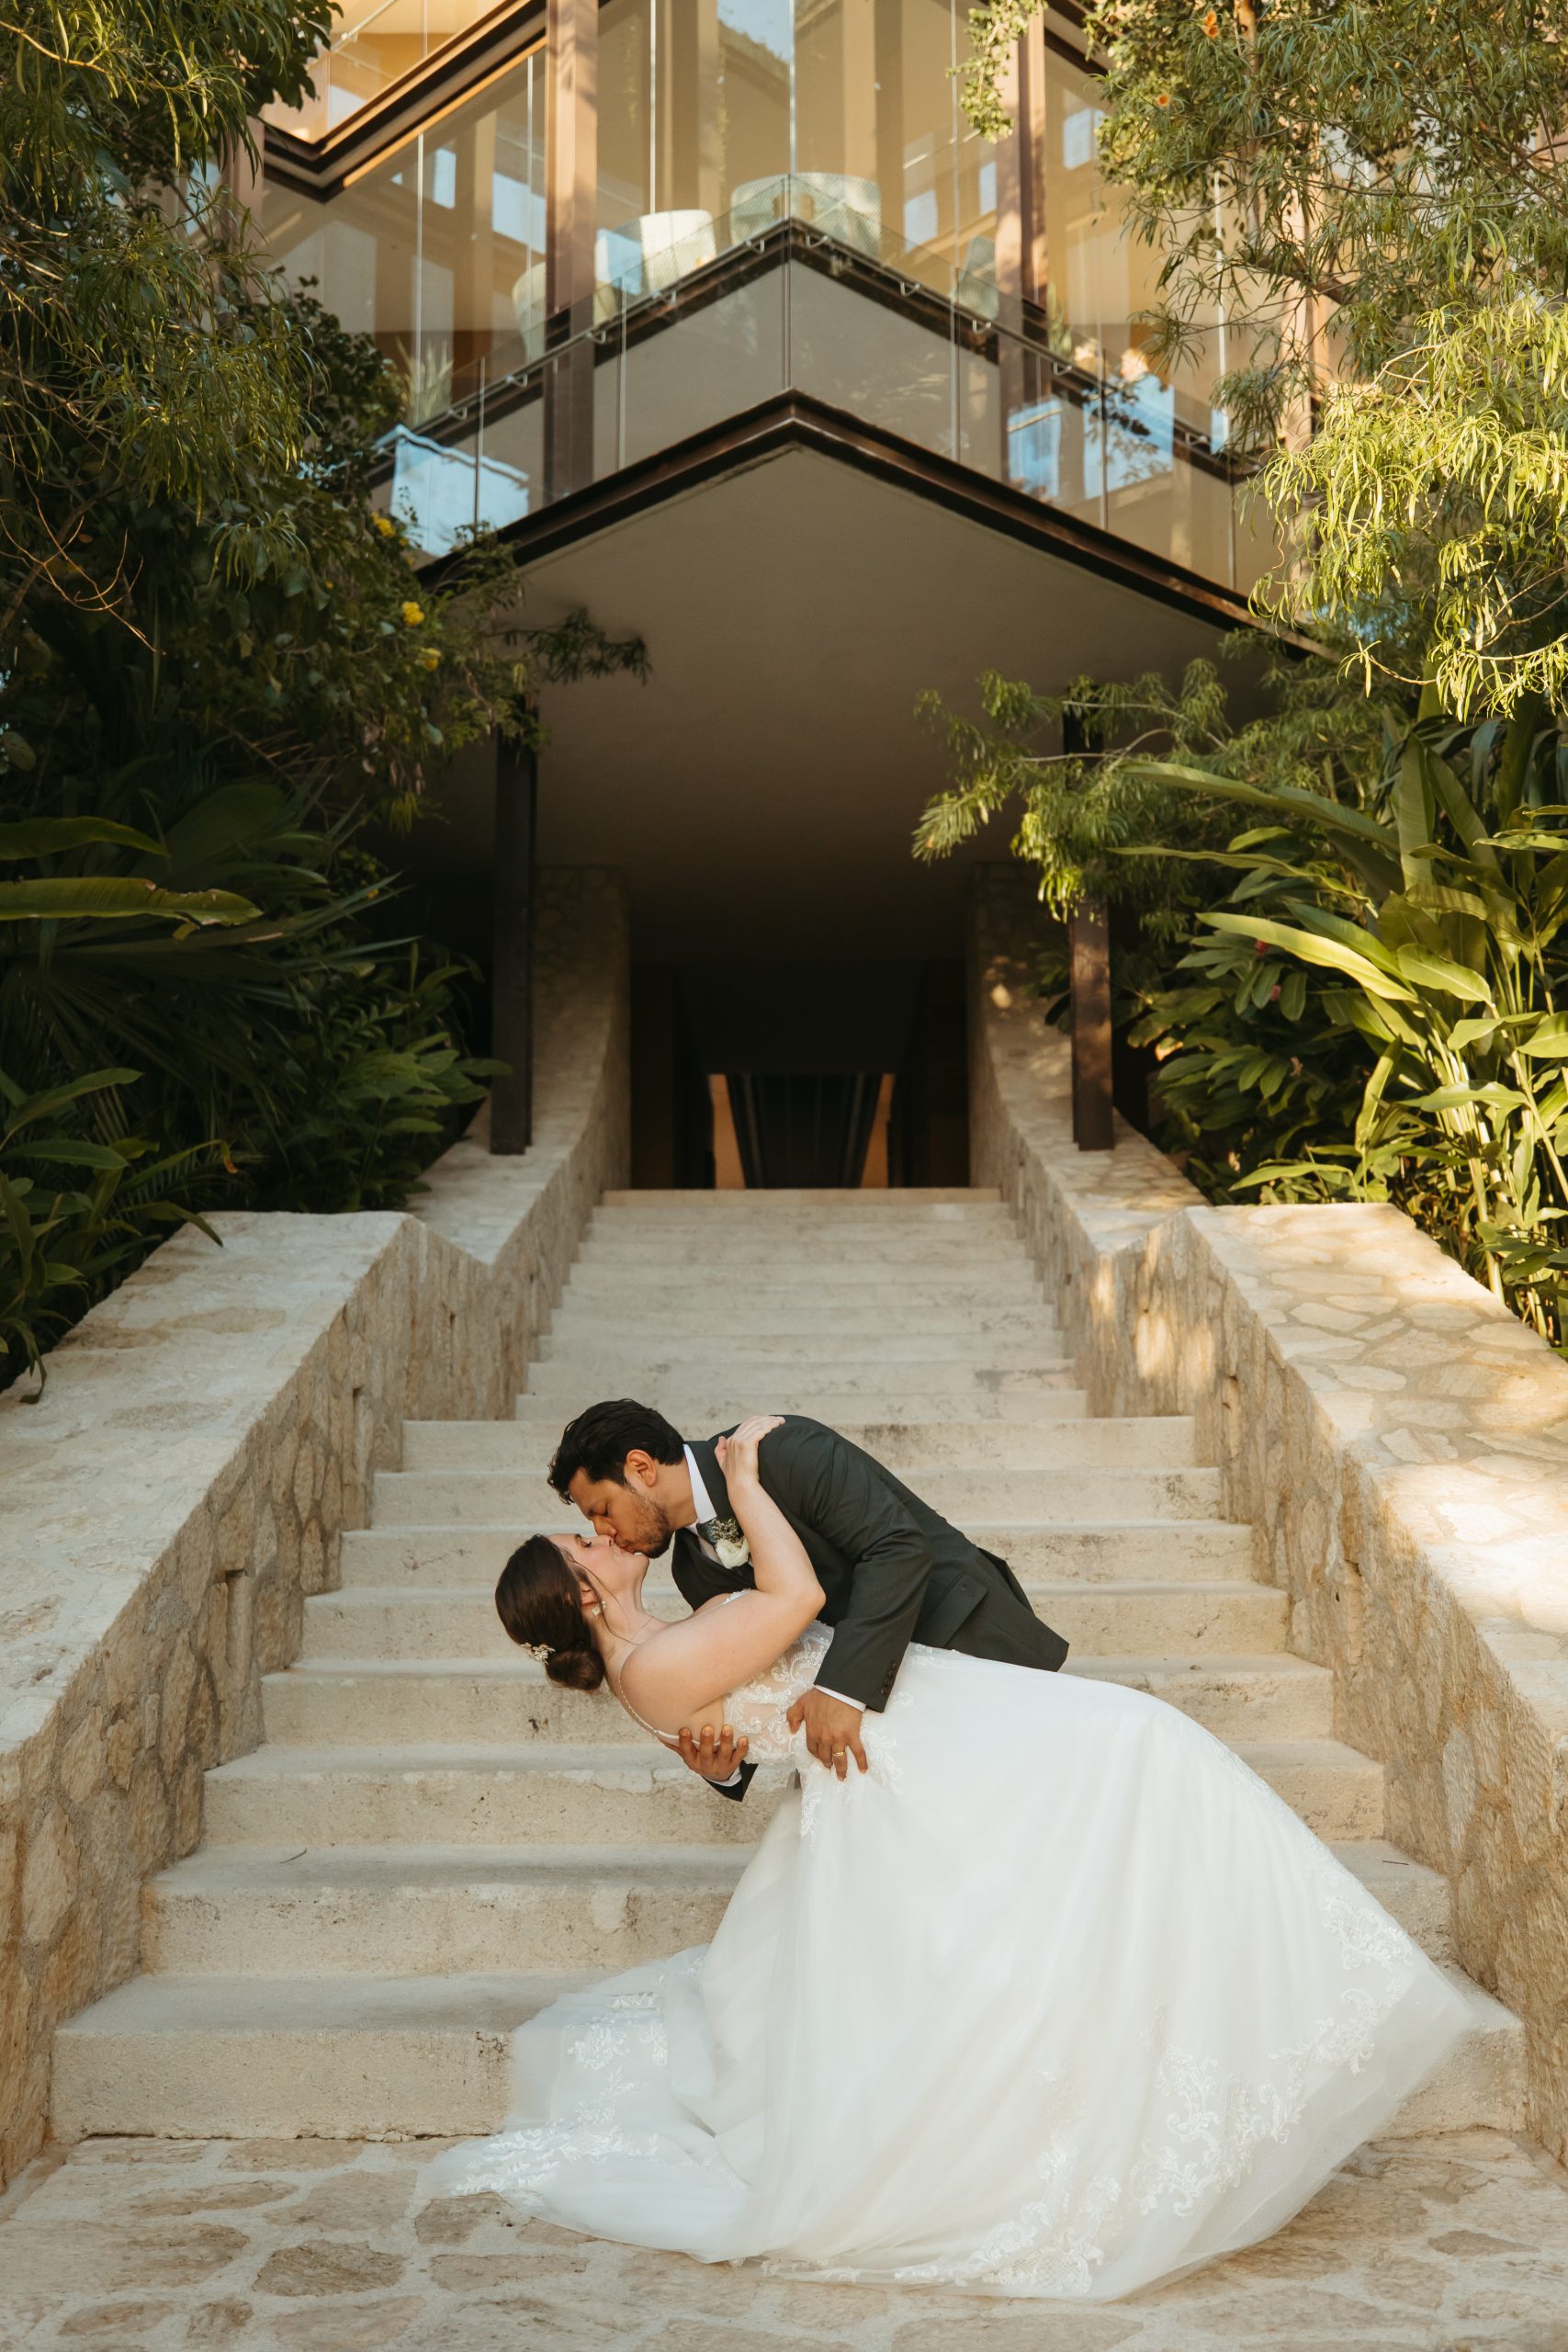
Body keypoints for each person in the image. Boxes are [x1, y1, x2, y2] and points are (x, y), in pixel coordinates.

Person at [423, 1412, 1472, 2302]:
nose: (601, 1530)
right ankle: (1085, 2123)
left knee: (1115, 1813)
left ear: (641, 1469)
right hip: (895, 1753)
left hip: (950, 1679)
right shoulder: (692, 1567)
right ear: (586, 1592)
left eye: (597, 1510)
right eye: (588, 1534)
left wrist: (818, 1685)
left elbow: (896, 1550)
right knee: (1058, 1881)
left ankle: (1241, 2036)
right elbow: (762, 1667)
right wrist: (733, 1751)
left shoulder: (781, 1455)